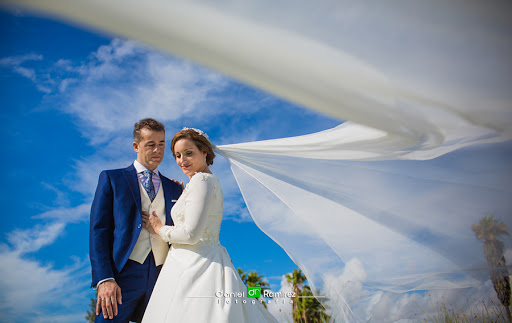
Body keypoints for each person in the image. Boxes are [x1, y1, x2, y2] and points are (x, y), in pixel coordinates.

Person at [141, 128, 278, 322]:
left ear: (204, 152)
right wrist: (184, 194)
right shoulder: (205, 181)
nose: (182, 160)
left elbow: (191, 234)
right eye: (178, 156)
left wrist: (158, 228)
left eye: (189, 153)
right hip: (203, 257)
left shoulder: (201, 181)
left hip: (195, 264)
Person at [90, 118, 183, 322]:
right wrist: (104, 279)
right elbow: (99, 231)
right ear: (136, 146)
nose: (157, 150)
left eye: (161, 144)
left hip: (163, 274)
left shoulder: (176, 188)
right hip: (123, 272)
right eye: (151, 144)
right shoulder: (112, 179)